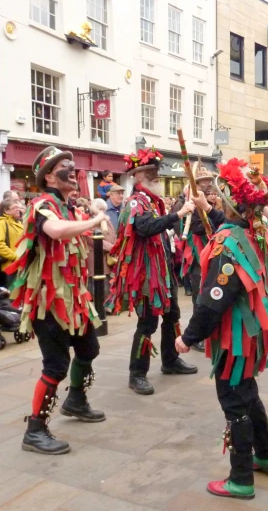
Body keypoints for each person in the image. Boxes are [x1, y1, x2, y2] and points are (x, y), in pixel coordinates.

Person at [174, 157, 268, 500]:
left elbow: (212, 299)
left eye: (220, 198)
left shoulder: (226, 243)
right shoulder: (253, 231)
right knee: (247, 392)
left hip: (235, 336)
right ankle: (266, 454)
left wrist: (187, 338)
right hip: (250, 334)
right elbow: (226, 224)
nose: (215, 200)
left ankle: (241, 478)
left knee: (235, 401)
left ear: (229, 204)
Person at [7, 146, 108, 455]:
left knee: (90, 348)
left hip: (75, 300)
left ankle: (75, 400)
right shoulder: (41, 205)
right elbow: (57, 232)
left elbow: (98, 237)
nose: (73, 170)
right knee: (55, 365)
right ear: (49, 176)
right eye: (65, 166)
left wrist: (101, 224)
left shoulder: (71, 207)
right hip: (48, 302)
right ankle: (34, 430)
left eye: (73, 165)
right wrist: (93, 222)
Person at [107, 148, 197, 395]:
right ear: (138, 177)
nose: (156, 175)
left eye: (157, 172)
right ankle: (137, 374)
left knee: (172, 315)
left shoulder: (153, 202)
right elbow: (145, 228)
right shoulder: (136, 202)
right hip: (147, 275)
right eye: (151, 172)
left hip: (163, 272)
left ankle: (170, 360)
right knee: (147, 323)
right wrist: (176, 214)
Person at [180, 166, 224, 352]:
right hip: (197, 253)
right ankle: (195, 334)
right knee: (200, 291)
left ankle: (205, 330)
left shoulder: (208, 202)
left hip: (209, 250)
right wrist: (207, 225)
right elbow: (192, 228)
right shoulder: (187, 203)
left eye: (209, 180)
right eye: (204, 180)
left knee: (208, 289)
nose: (208, 184)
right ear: (195, 183)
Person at [0, 198, 24, 286]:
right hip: (11, 265)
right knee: (12, 295)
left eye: (18, 207)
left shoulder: (19, 223)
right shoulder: (1, 223)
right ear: (6, 211)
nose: (18, 210)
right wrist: (14, 257)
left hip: (21, 264)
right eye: (14, 208)